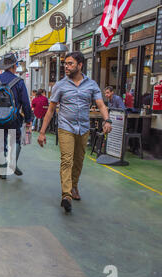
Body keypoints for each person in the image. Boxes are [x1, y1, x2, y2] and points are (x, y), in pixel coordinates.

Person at [37, 51, 112, 214]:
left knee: (78, 160)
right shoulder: (60, 85)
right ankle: (66, 195)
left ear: (80, 65)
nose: (66, 66)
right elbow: (50, 110)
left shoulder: (91, 85)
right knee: (66, 160)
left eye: (70, 63)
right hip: (65, 128)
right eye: (65, 63)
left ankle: (74, 185)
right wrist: (42, 132)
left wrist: (107, 120)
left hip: (83, 128)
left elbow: (100, 104)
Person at [0, 52, 32, 179]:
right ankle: (13, 163)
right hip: (13, 119)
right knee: (15, 140)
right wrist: (28, 119)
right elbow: (26, 103)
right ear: (14, 66)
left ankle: (2, 171)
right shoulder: (19, 82)